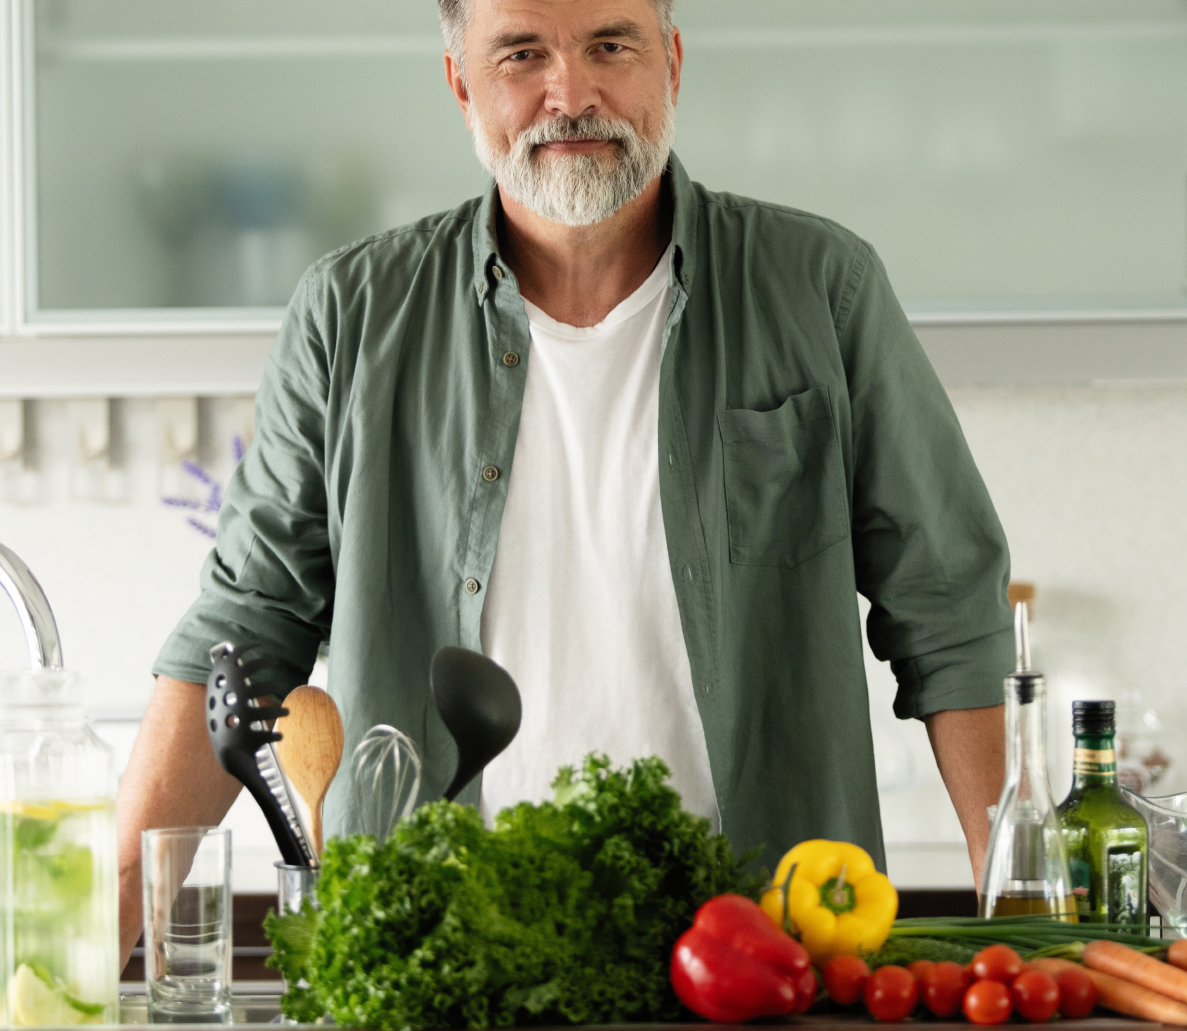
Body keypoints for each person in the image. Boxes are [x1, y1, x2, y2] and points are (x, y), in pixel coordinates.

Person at [114, 0, 1013, 961]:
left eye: (610, 46)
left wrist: (1023, 914)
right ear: (462, 80)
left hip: (766, 952)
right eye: (522, 53)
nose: (570, 93)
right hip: (445, 960)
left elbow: (948, 604)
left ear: (670, 63)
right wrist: (95, 945)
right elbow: (246, 632)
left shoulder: (818, 288)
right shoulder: (350, 315)